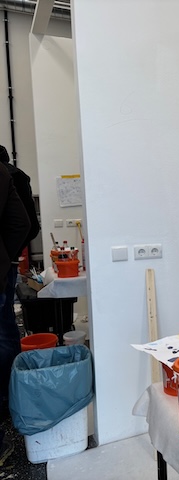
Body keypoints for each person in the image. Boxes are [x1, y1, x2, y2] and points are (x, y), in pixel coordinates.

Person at [0, 162, 31, 466]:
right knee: (6, 331)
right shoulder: (6, 172)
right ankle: (11, 397)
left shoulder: (11, 174)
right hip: (2, 270)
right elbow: (23, 223)